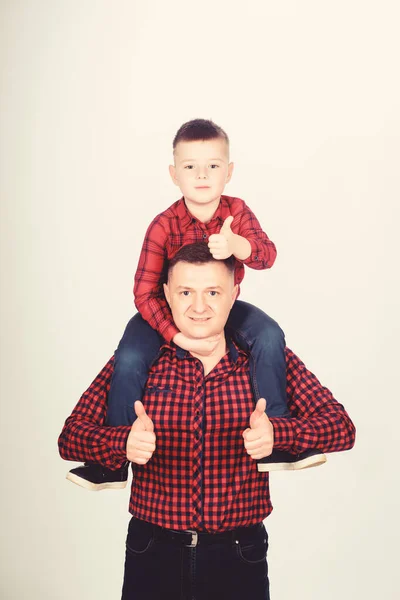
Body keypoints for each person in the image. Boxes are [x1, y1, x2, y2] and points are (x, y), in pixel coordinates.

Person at [58, 242, 356, 600]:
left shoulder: (264, 358)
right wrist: (121, 442)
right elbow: (70, 437)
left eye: (213, 292)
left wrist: (278, 434)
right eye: (186, 292)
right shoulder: (137, 360)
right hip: (152, 552)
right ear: (166, 294)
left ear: (234, 294)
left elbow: (341, 427)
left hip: (238, 554)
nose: (199, 307)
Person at [67, 119, 324, 491]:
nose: (202, 175)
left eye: (213, 166)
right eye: (190, 167)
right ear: (174, 174)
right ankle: (112, 460)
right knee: (128, 356)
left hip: (223, 305)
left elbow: (267, 255)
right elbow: (143, 292)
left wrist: (239, 247)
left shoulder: (238, 211)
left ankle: (277, 439)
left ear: (229, 172)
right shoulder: (163, 225)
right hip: (163, 311)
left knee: (269, 334)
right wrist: (175, 336)